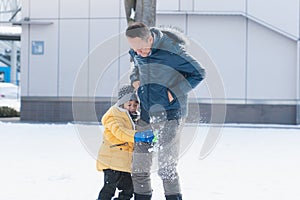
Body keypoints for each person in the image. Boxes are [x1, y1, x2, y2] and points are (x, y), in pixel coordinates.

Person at [125, 22, 206, 200]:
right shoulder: (137, 50)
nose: (138, 52)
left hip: (171, 114)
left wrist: (173, 93)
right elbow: (135, 68)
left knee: (166, 168)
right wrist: (135, 81)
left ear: (150, 38)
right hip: (146, 114)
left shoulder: (172, 52)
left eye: (141, 48)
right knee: (139, 167)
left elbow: (199, 73)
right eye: (134, 49)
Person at [96, 84, 155, 200]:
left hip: (124, 164)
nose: (132, 107)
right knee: (109, 189)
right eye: (129, 105)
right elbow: (120, 132)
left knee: (128, 189)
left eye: (135, 105)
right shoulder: (113, 115)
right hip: (111, 162)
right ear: (122, 104)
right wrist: (138, 136)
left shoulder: (133, 118)